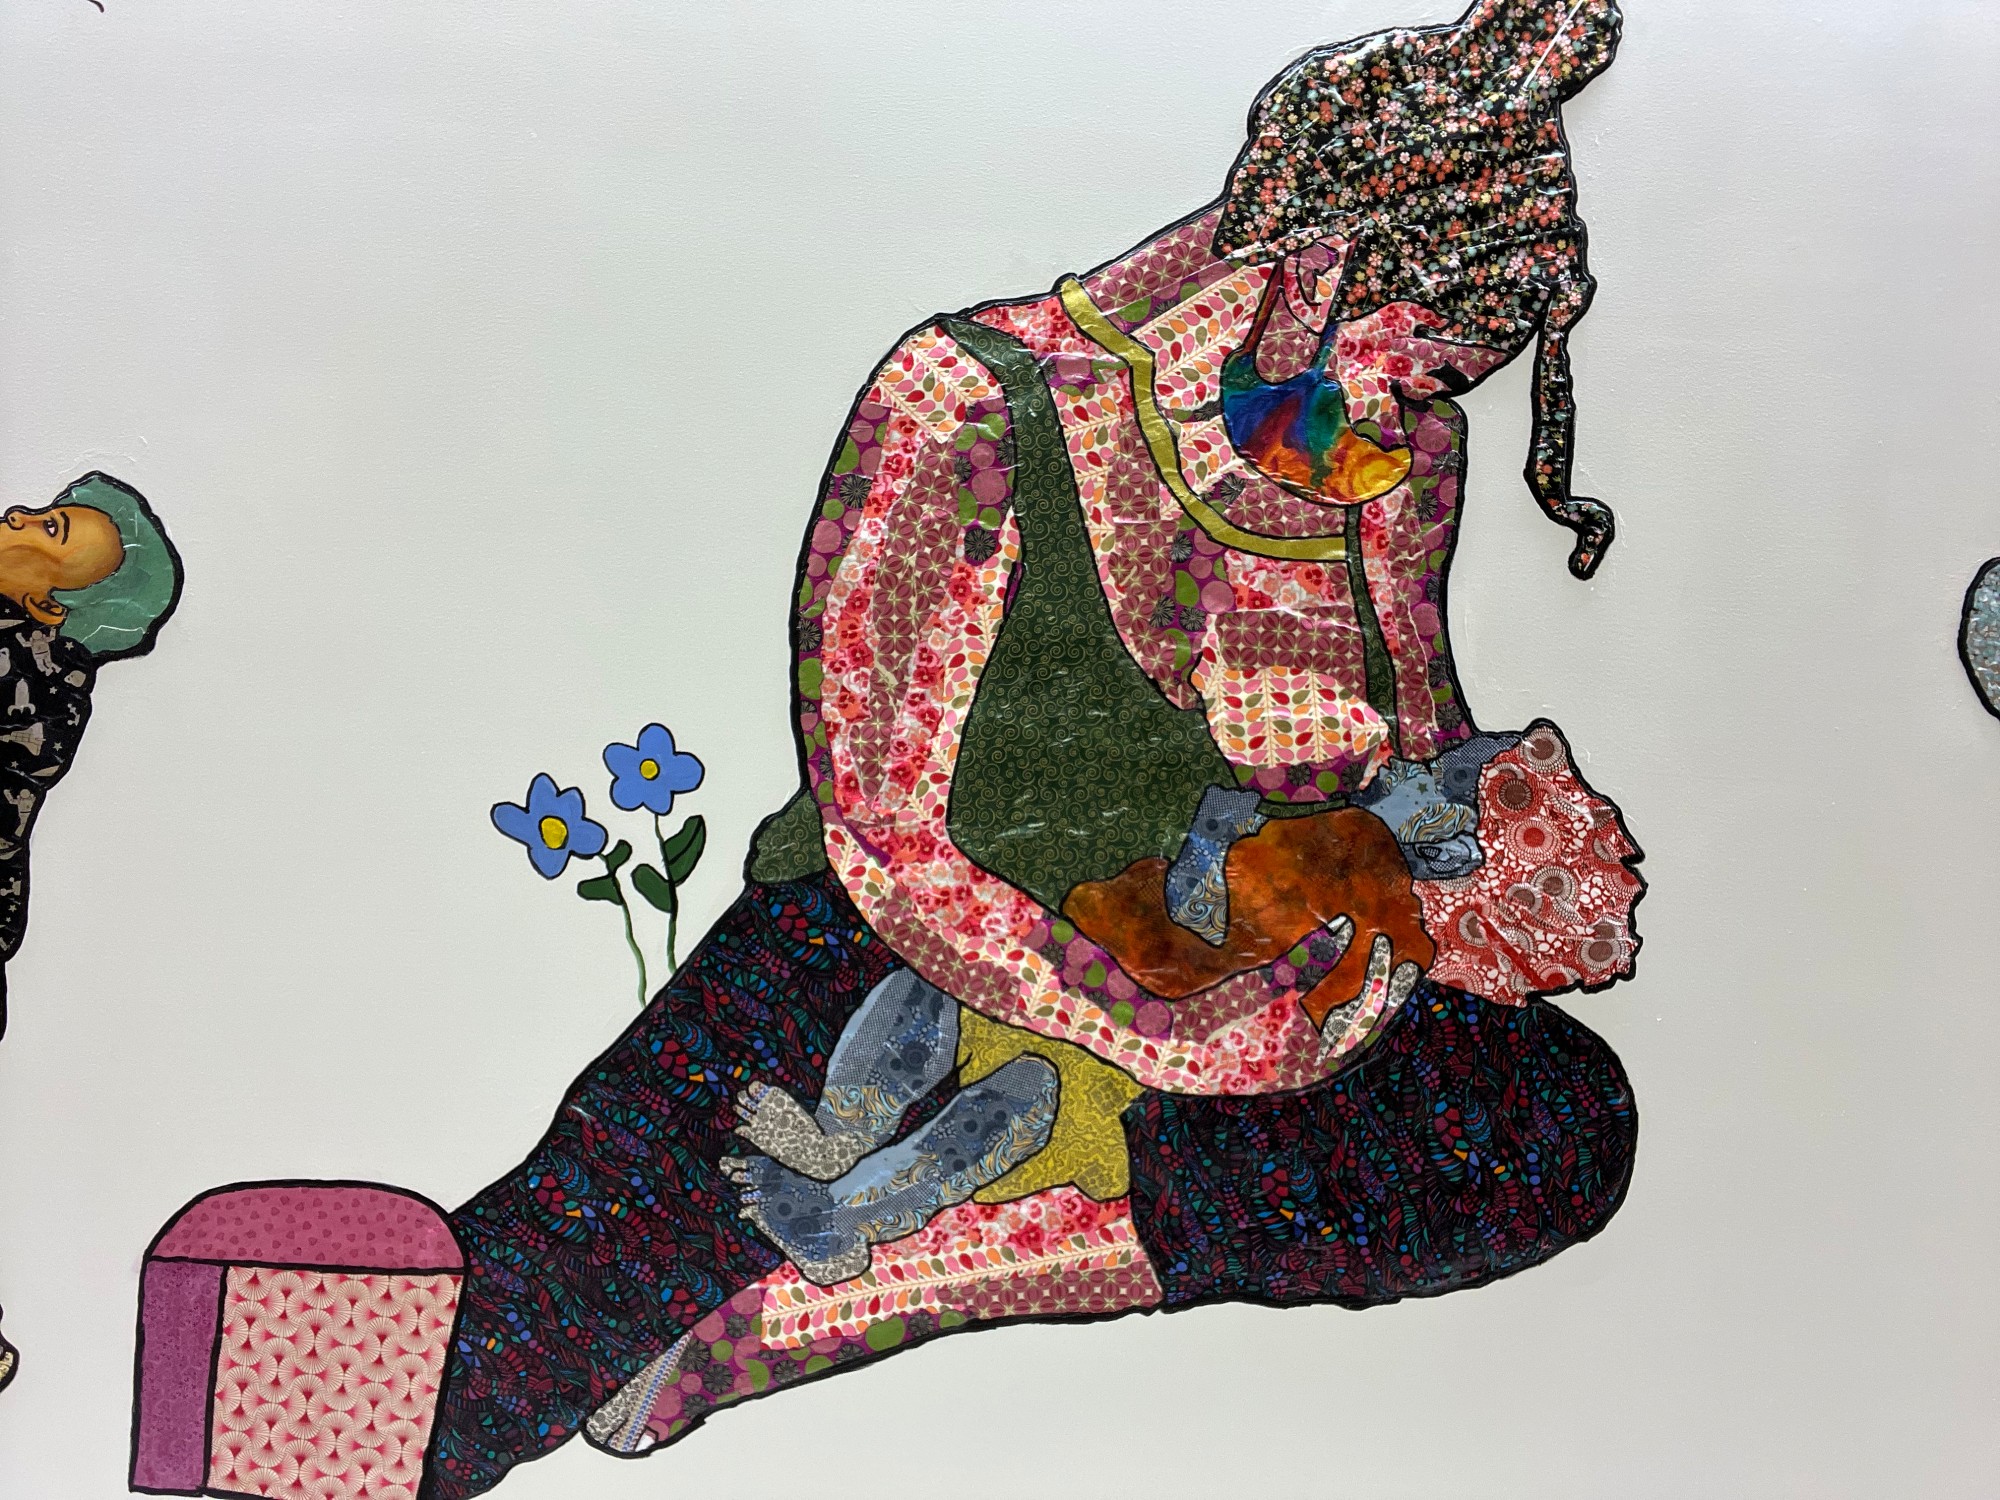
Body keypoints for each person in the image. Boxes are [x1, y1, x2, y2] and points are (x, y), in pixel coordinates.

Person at [132, 5, 1640, 1494]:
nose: (1411, 430)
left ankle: (849, 1297)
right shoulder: (975, 401)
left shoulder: (1399, 468)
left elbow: (1414, 756)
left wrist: (1476, 893)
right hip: (905, 954)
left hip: (1234, 949)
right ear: (1318, 267)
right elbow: (890, 841)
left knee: (1553, 1126)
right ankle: (315, 1410)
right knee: (549, 1301)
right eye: (1419, 373)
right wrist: (1169, 1032)